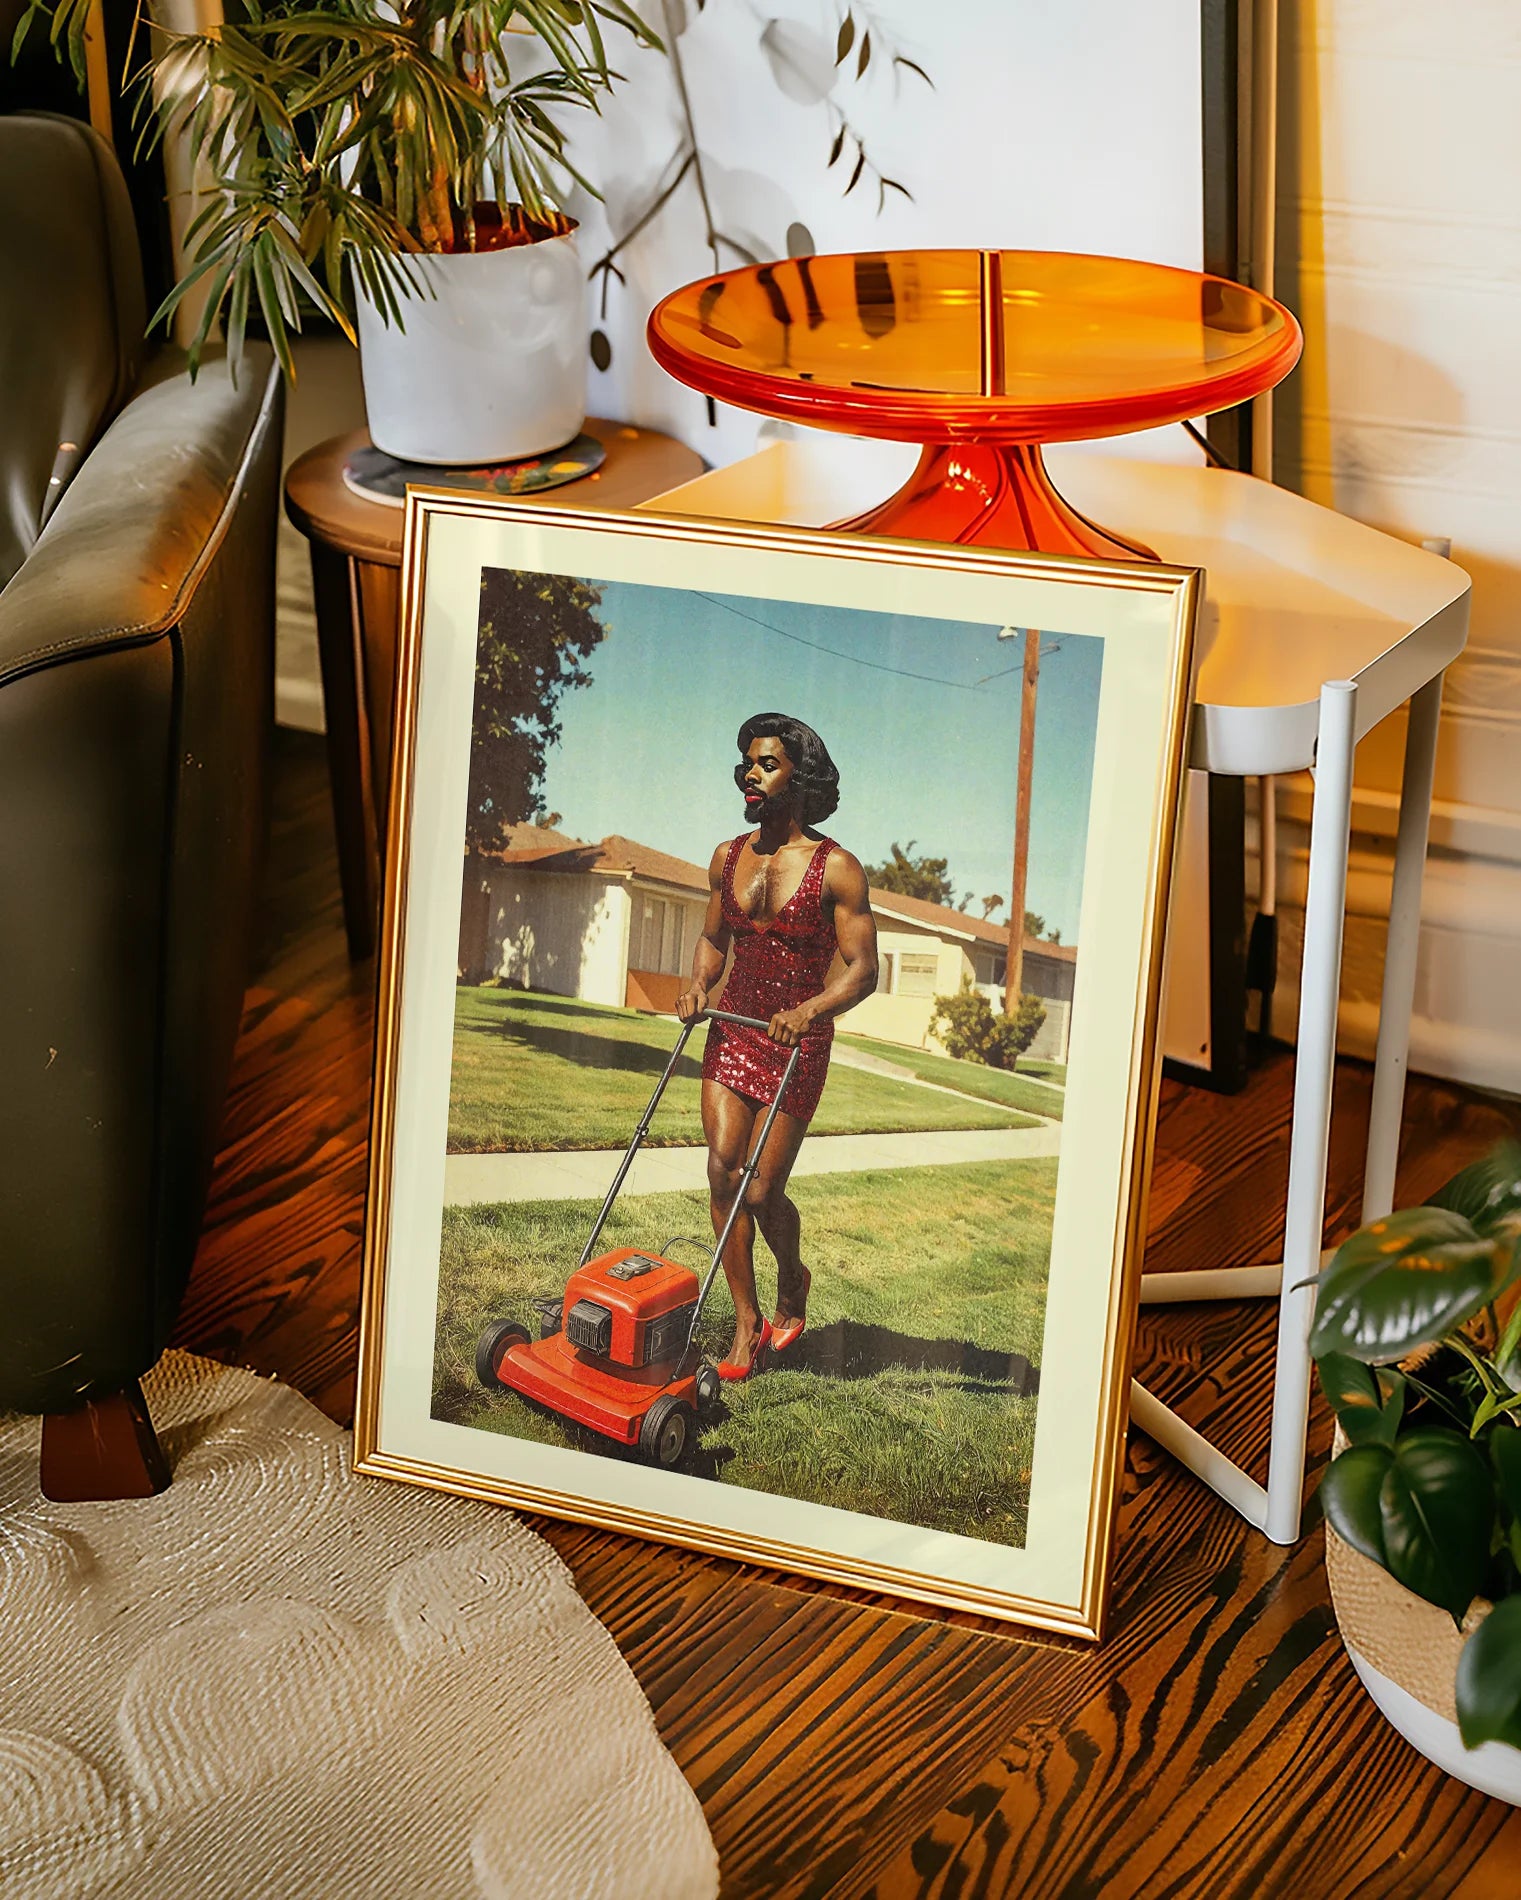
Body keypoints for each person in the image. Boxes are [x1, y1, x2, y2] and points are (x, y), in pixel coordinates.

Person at [676, 713, 878, 1379]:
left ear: (801, 776)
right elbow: (713, 941)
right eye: (746, 763)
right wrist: (698, 985)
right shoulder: (726, 858)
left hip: (797, 1044)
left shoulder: (837, 869)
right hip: (734, 1028)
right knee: (720, 1172)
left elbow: (861, 970)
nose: (749, 773)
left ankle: (792, 1276)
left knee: (761, 1193)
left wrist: (811, 1009)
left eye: (766, 763)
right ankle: (746, 1323)